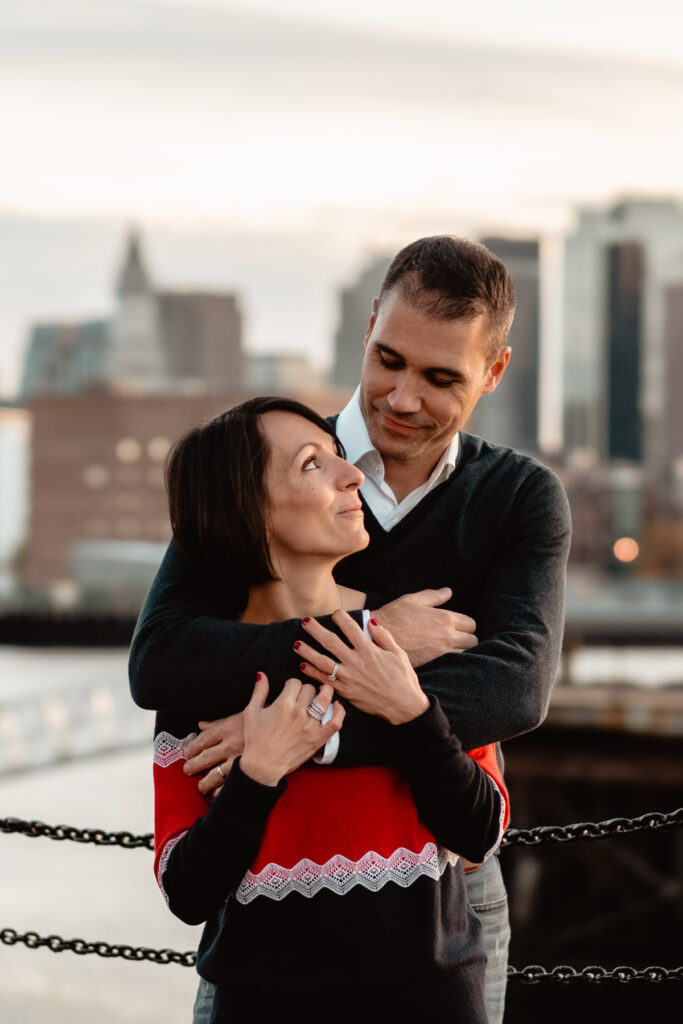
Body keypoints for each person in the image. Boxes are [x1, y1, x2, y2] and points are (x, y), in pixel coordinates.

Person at [131, 235, 572, 1024]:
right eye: (388, 359)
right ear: (368, 326)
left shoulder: (519, 497)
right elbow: (163, 662)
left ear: (493, 372)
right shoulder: (264, 466)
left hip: (443, 875)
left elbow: (512, 686)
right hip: (261, 867)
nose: (402, 398)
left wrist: (303, 735)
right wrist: (375, 633)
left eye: (441, 378)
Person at [153, 396, 506, 1023]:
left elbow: (481, 831)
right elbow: (187, 891)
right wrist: (258, 774)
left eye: (341, 457)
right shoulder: (202, 677)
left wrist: (411, 714)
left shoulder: (412, 638)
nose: (354, 476)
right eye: (314, 465)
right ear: (247, 510)